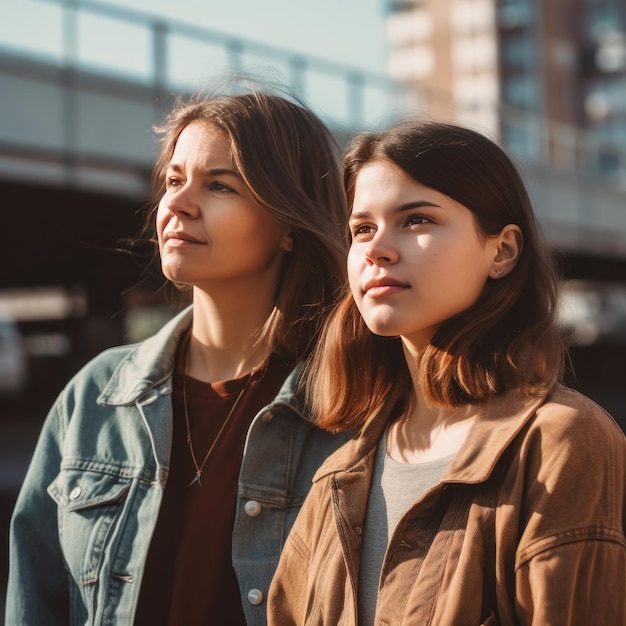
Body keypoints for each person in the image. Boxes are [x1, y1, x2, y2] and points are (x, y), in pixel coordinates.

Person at [5, 85, 354, 625]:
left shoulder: (347, 404)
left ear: (289, 224)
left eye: (219, 185)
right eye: (174, 180)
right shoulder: (96, 394)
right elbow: (34, 596)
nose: (179, 204)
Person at [267, 119, 626, 625]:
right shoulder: (338, 476)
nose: (376, 249)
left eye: (416, 220)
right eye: (362, 228)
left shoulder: (559, 442)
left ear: (501, 251)